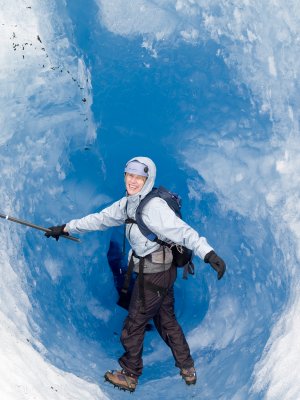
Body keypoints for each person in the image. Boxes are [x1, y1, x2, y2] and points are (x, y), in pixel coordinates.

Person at [45, 156, 226, 393]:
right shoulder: (129, 203)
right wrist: (66, 227)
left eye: (139, 177)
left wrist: (208, 254)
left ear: (148, 179)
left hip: (154, 275)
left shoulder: (154, 208)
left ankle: (130, 374)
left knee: (134, 323)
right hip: (159, 271)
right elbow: (99, 220)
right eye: (129, 175)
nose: (132, 181)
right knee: (166, 320)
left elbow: (185, 233)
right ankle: (187, 368)